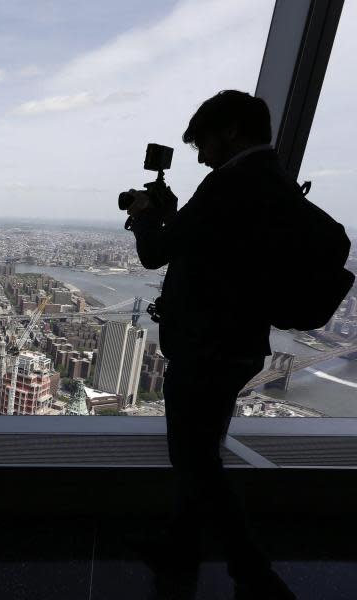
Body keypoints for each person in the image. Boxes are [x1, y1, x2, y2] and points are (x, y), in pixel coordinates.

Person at [125, 90, 296, 599]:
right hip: (240, 341)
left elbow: (157, 254)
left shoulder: (230, 184)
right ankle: (178, 549)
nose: (200, 156)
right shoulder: (276, 181)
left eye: (203, 143)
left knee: (196, 458)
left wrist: (143, 217)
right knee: (197, 451)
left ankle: (254, 573)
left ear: (232, 131)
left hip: (207, 345)